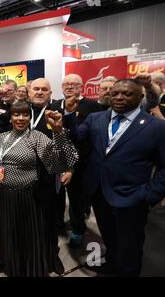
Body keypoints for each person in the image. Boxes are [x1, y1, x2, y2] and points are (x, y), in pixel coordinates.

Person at [64, 75, 165, 276]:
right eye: (115, 93)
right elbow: (77, 136)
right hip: (100, 193)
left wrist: (151, 196)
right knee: (110, 238)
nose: (119, 97)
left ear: (140, 97)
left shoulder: (158, 127)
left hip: (133, 198)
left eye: (127, 94)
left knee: (130, 247)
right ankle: (111, 266)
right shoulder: (96, 119)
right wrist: (69, 114)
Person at [0, 102, 78, 277]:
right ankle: (14, 267)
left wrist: (58, 132)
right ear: (10, 118)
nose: (20, 118)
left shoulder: (37, 137)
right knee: (10, 235)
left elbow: (62, 162)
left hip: (28, 198)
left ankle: (32, 269)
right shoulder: (0, 137)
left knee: (30, 237)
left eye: (25, 115)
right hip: (4, 198)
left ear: (30, 117)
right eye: (16, 115)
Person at [50, 74, 103, 248]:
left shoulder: (93, 106)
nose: (70, 87)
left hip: (81, 160)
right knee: (57, 195)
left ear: (82, 87)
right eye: (66, 84)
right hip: (58, 158)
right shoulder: (55, 105)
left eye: (74, 84)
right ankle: (58, 222)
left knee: (76, 198)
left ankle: (78, 230)